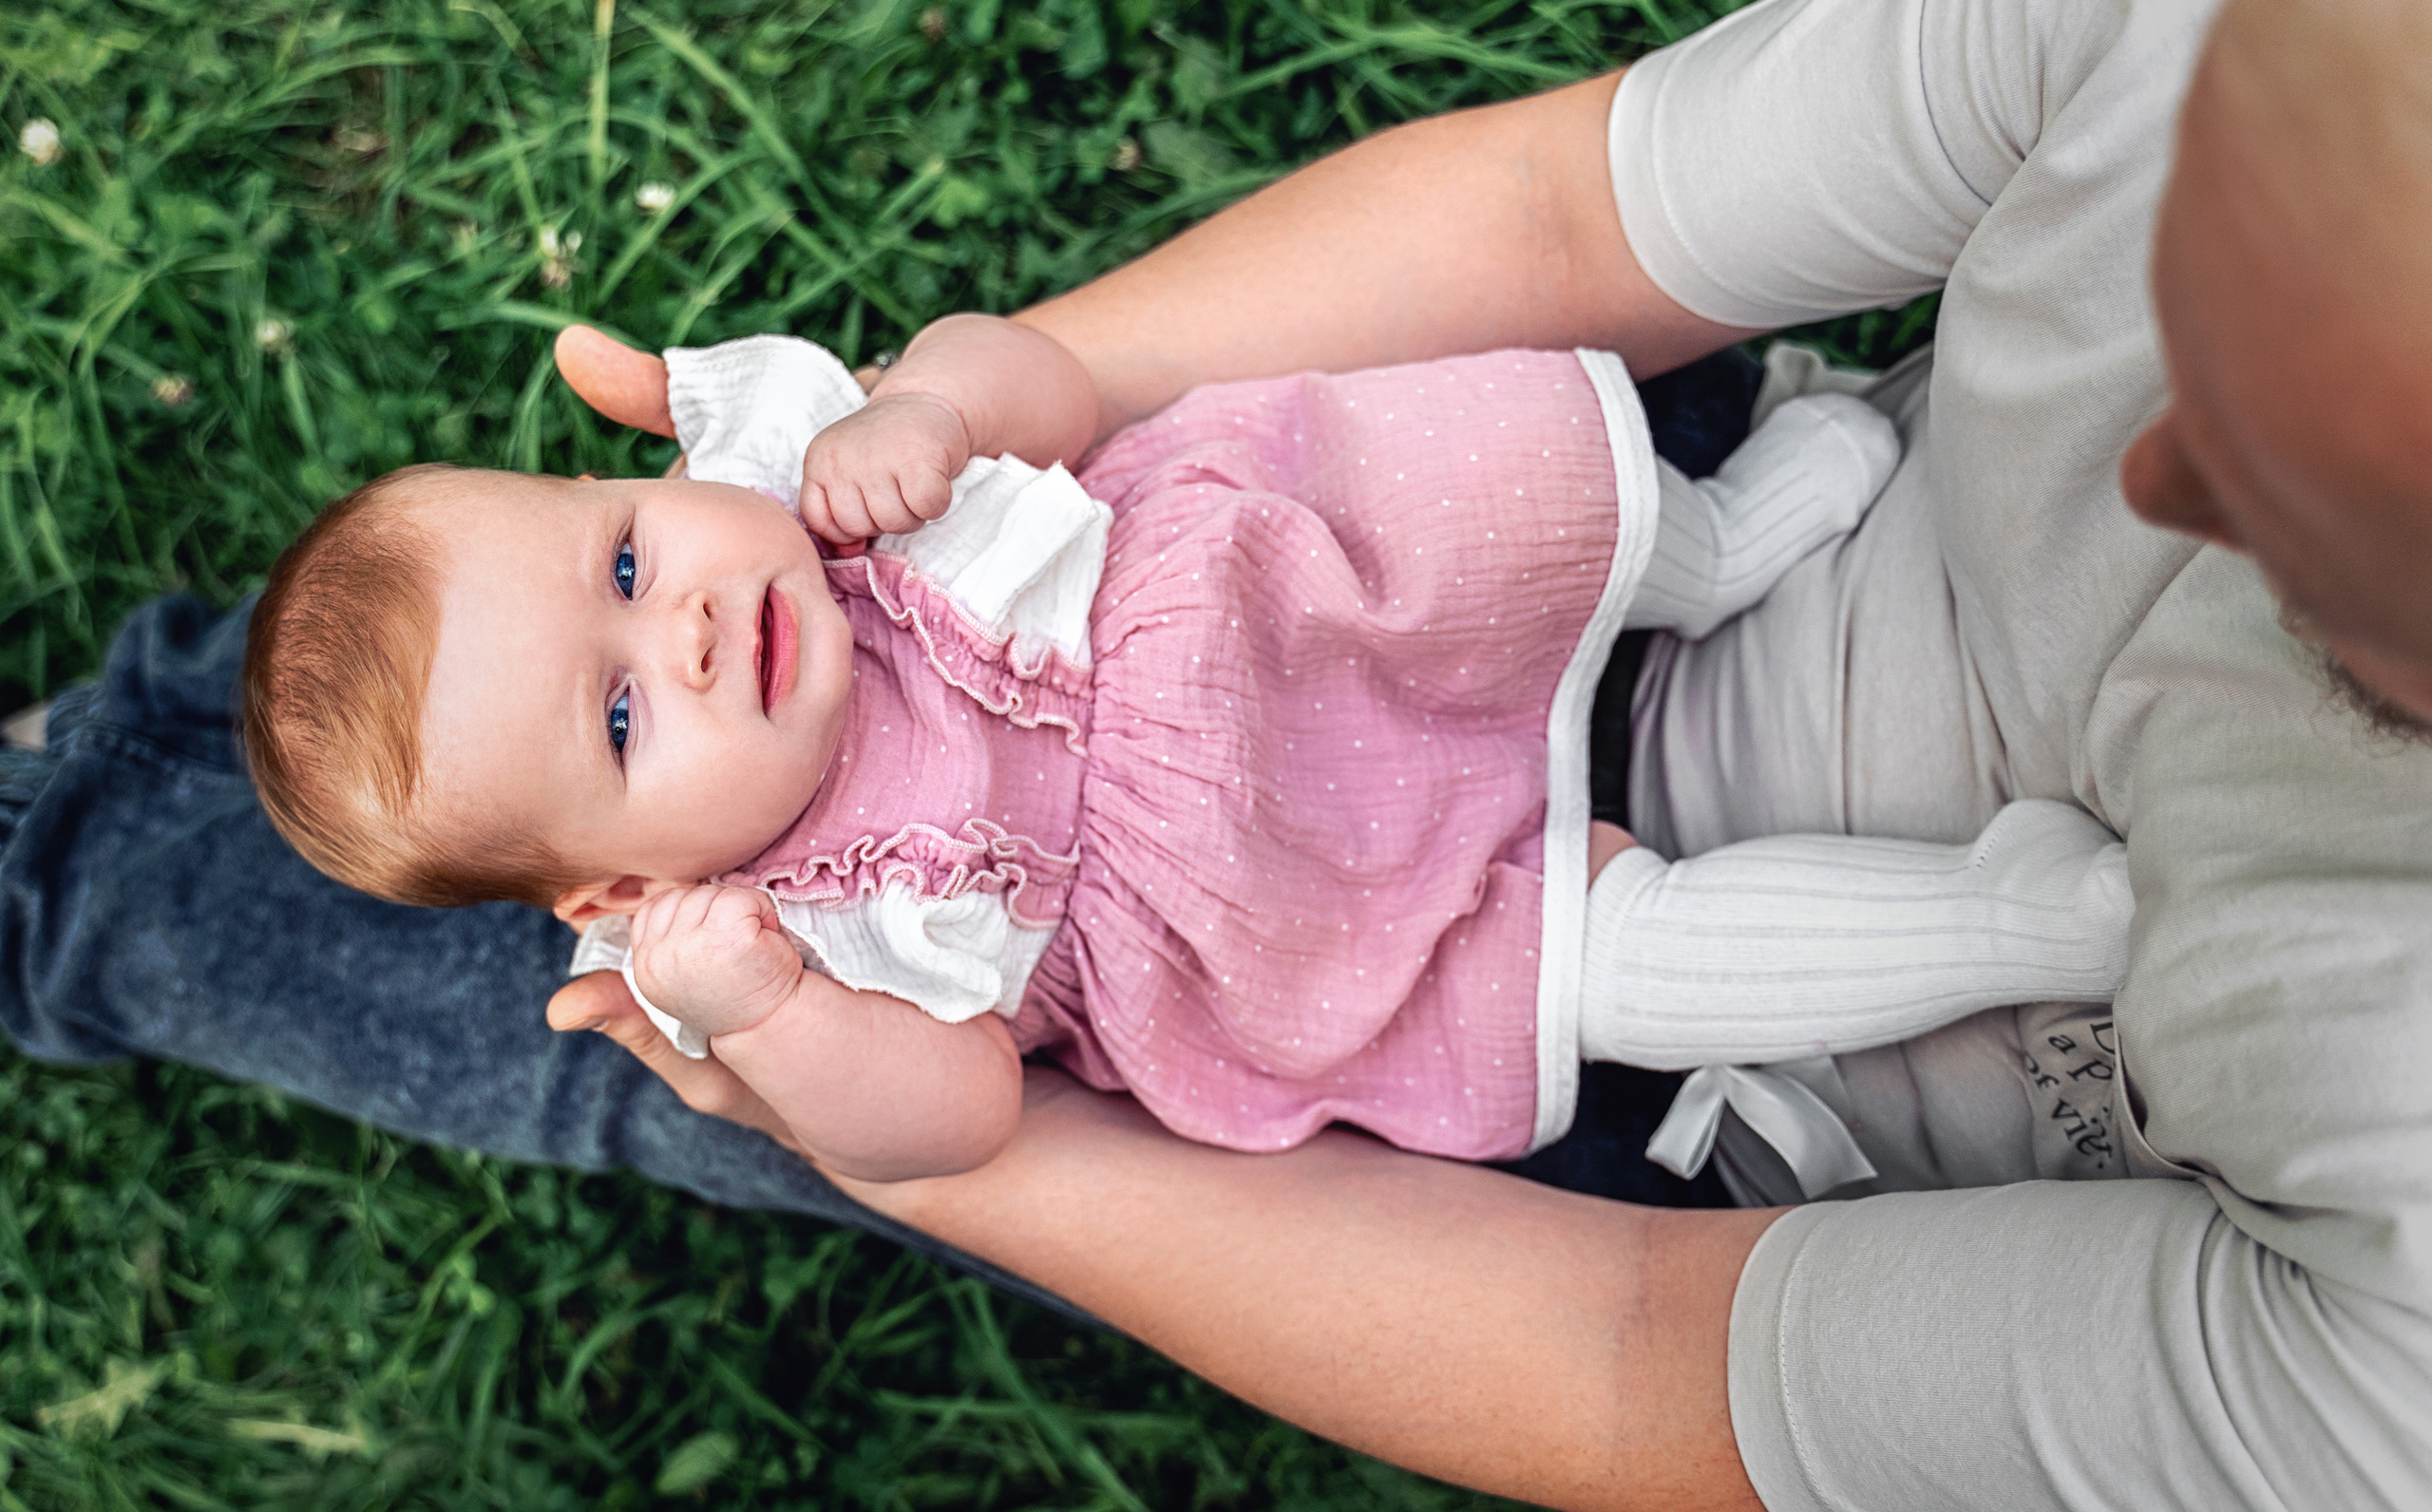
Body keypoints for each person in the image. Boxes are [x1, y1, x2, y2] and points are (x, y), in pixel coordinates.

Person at [539, 0, 2432, 1512]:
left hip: (1568, 1041)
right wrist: (942, 414)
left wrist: (825, 1074)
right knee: (494, 837)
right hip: (1550, 562)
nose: (2157, 469)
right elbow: (1548, 222)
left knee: (612, 1042)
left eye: (2294, 516)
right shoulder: (2269, 41)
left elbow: (1624, 1347)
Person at [242, 322, 2127, 1182]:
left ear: (619, 482)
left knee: (1512, 506)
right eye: (626, 714)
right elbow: (953, 1125)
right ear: (620, 888)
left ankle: (1723, 539)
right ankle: (2007, 928)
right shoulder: (774, 930)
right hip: (1266, 919)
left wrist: (935, 398)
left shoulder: (794, 479)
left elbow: (1045, 391)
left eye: (625, 561)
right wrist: (766, 1025)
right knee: (1602, 960)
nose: (683, 626)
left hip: (1281, 602)